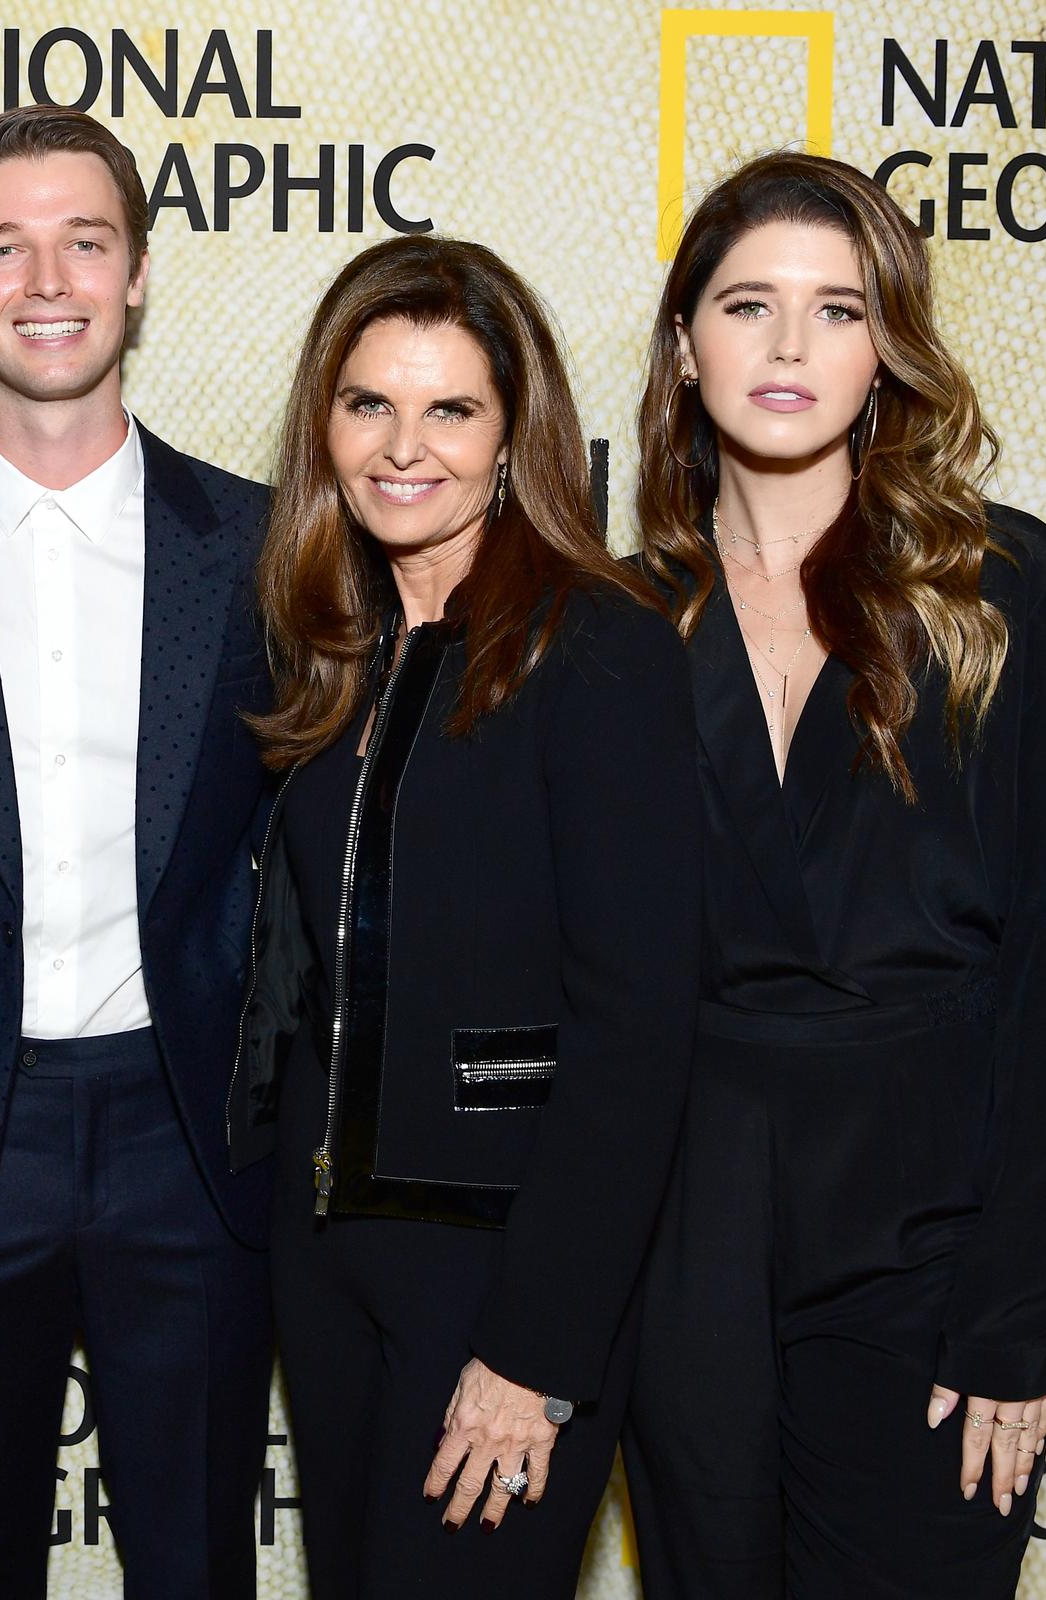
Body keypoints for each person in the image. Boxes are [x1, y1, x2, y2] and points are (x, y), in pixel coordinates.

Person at [621, 151, 1046, 1600]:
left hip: (931, 1249)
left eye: (836, 310)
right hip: (682, 1255)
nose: (787, 348)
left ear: (886, 343)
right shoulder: (616, 619)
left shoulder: (1005, 589)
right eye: (747, 305)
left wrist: (1015, 1319)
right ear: (683, 341)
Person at [0, 105, 275, 1599]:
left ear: (138, 274)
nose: (47, 278)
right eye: (2, 246)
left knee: (199, 1562)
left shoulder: (272, 549)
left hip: (192, 1136)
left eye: (85, 241)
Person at [225, 234, 701, 1597]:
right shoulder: (331, 649)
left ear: (513, 436)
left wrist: (540, 1349)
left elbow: (636, 1030)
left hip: (501, 1274)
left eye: (450, 409)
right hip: (330, 1262)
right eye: (369, 403)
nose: (402, 447)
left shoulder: (594, 648)